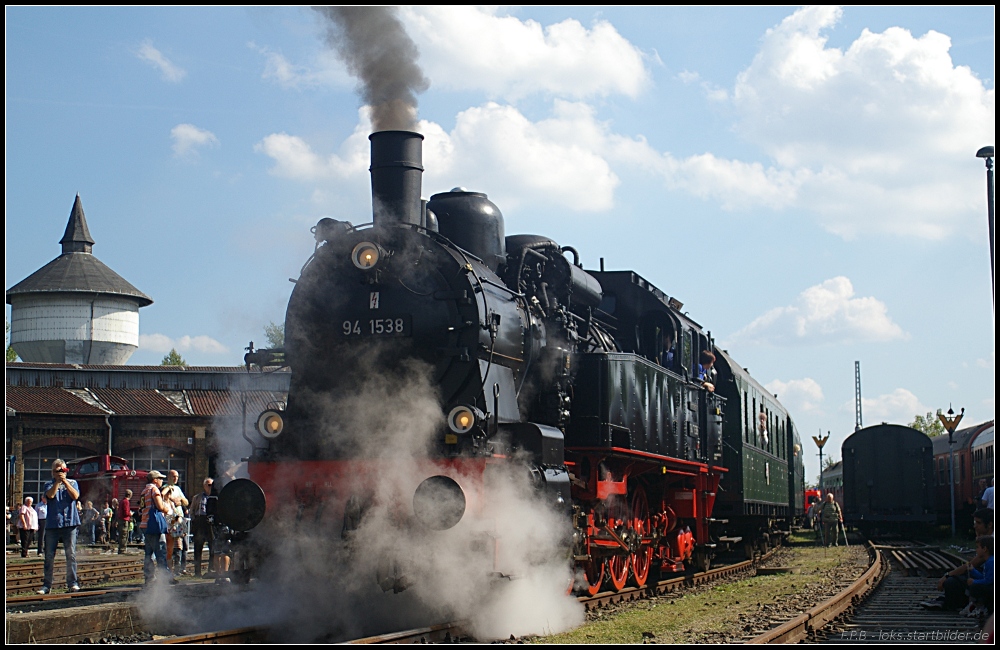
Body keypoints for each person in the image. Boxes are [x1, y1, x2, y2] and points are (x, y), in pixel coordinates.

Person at [922, 509, 994, 610]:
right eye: (974, 522)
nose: (975, 526)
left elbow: (971, 564)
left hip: (988, 580)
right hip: (986, 575)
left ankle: (948, 603)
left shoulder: (991, 542)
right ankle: (947, 600)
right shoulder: (988, 538)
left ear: (990, 524)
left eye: (978, 523)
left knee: (952, 582)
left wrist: (946, 576)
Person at [39, 459, 81, 594]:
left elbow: (75, 496)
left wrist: (65, 482)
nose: (60, 473)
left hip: (70, 523)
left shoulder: (73, 483)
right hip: (53, 523)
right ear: (53, 472)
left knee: (71, 554)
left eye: (62, 470)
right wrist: (57, 482)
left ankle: (72, 583)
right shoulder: (48, 484)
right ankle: (47, 585)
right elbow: (50, 496)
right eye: (58, 471)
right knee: (49, 555)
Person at [140, 470, 174, 587]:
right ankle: (165, 577)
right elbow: (160, 506)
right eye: (160, 479)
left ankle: (149, 578)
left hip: (145, 524)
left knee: (148, 553)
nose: (162, 481)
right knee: (161, 551)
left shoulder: (144, 490)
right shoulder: (154, 490)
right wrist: (168, 509)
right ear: (155, 480)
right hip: (154, 525)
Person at [161, 469, 189, 575]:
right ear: (168, 477)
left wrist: (180, 500)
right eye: (173, 476)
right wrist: (173, 500)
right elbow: (163, 497)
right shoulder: (165, 488)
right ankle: (172, 569)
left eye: (177, 476)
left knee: (183, 545)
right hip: (171, 520)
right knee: (173, 546)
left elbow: (186, 501)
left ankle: (180, 568)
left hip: (180, 518)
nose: (176, 478)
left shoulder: (178, 489)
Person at [959, 535, 993, 618]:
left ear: (984, 549)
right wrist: (972, 570)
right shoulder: (989, 561)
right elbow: (984, 577)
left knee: (976, 587)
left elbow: (990, 581)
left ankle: (979, 607)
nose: (976, 550)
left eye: (978, 547)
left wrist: (974, 582)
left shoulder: (991, 562)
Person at [190, 477, 218, 577]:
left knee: (213, 546)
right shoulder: (197, 497)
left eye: (211, 485)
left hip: (211, 522)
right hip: (200, 521)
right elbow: (192, 510)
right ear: (204, 486)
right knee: (198, 546)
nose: (210, 487)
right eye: (208, 485)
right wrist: (194, 520)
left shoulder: (215, 497)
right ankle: (197, 572)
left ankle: (211, 569)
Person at [117, 490, 133, 554]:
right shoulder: (126, 502)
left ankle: (120, 549)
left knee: (121, 535)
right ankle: (122, 549)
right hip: (124, 520)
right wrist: (130, 514)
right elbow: (126, 512)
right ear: (130, 495)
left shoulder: (121, 501)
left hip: (120, 520)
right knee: (124, 535)